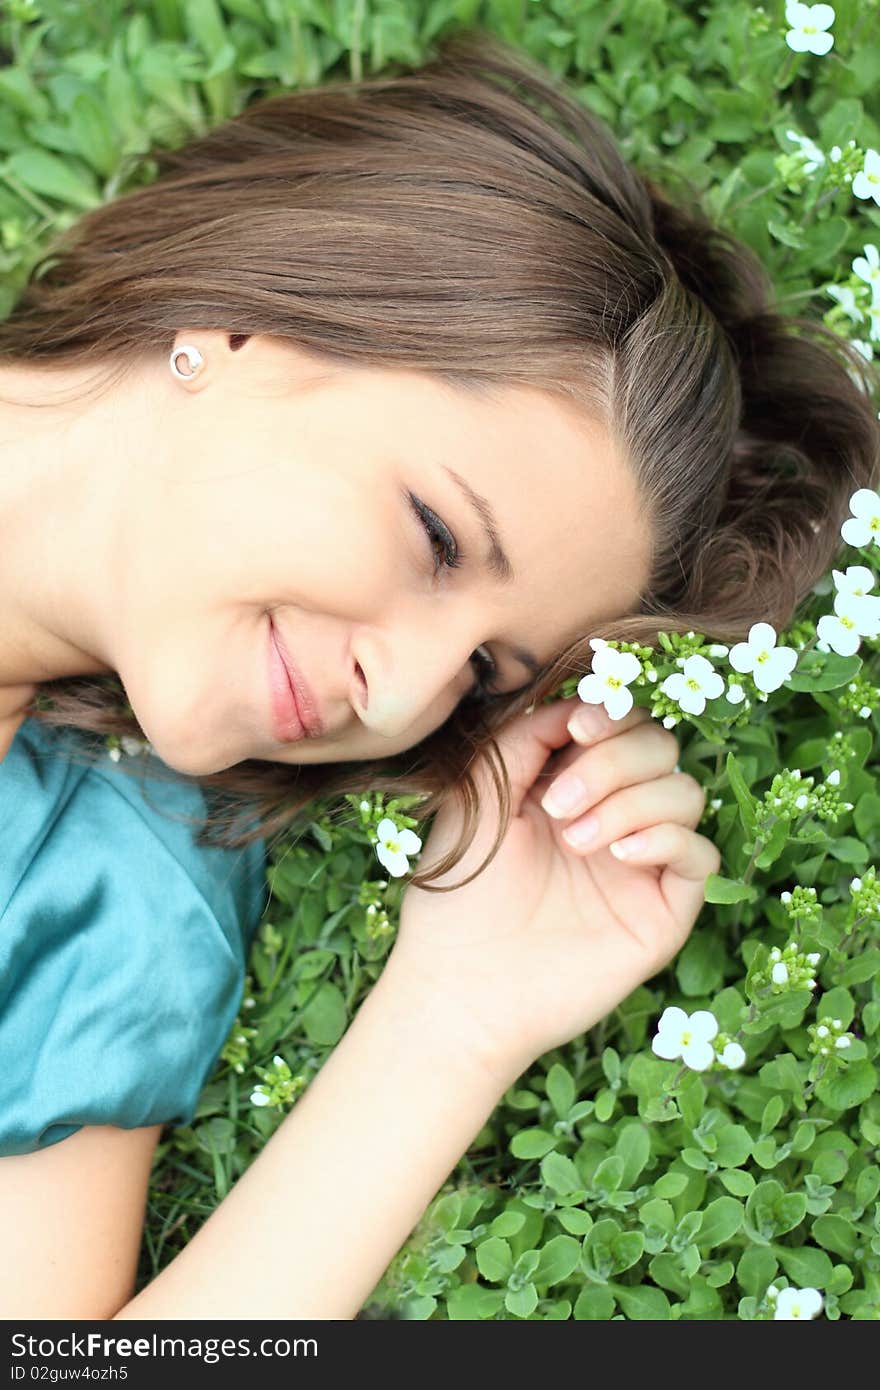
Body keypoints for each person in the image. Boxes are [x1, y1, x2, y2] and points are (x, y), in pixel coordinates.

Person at [0, 28, 876, 1319]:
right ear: (254, 311)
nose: (404, 696)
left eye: (482, 674)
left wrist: (451, 1021)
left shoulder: (106, 892)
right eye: (435, 535)